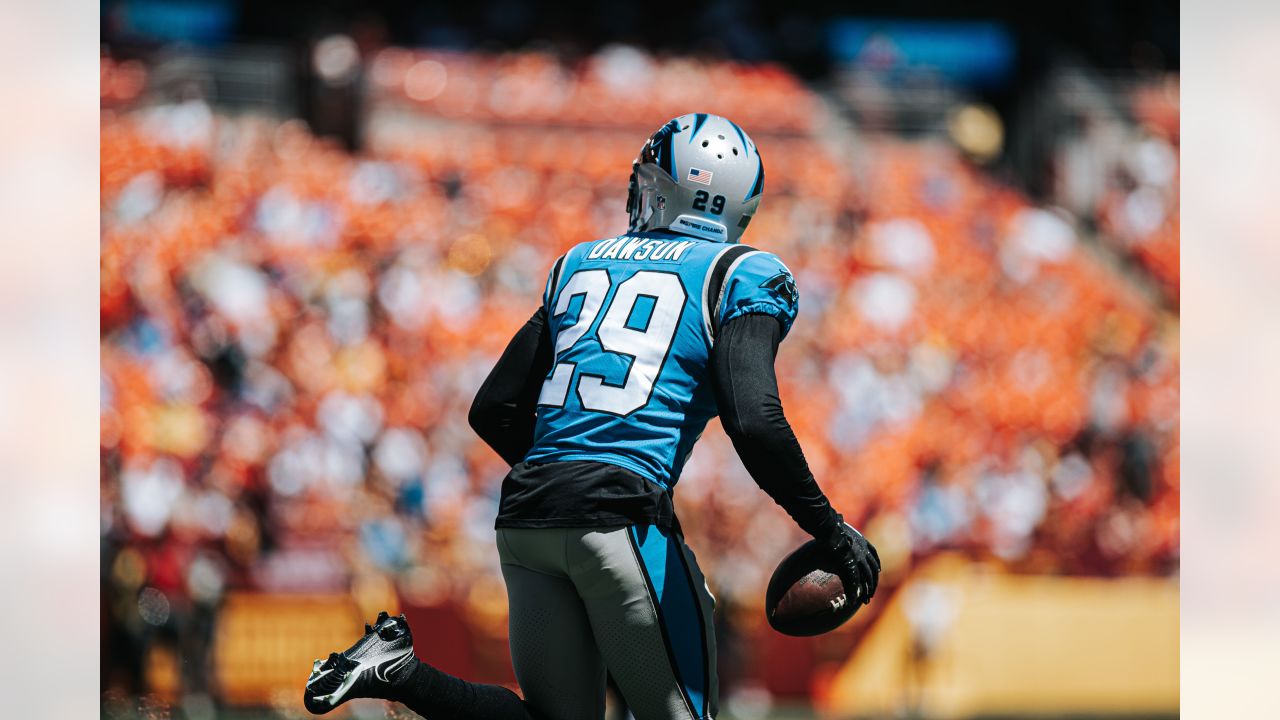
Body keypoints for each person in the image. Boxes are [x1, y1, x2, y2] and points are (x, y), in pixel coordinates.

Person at [303, 113, 881, 720]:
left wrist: (569, 476)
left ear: (657, 186)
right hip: (621, 516)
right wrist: (830, 527)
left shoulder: (580, 262)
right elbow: (755, 419)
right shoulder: (743, 273)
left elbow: (494, 409)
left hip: (528, 515)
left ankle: (400, 671)